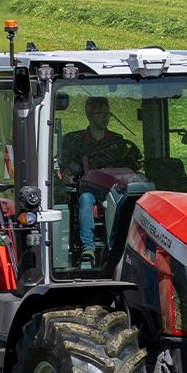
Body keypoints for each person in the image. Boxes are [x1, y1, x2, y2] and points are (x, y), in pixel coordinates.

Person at [60, 96, 142, 260]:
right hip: (89, 187)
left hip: (115, 187)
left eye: (107, 113)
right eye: (100, 113)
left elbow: (130, 165)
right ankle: (88, 248)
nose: (105, 117)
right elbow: (67, 166)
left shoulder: (118, 142)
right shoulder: (75, 141)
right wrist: (69, 171)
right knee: (85, 199)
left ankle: (126, 246)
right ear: (89, 115)